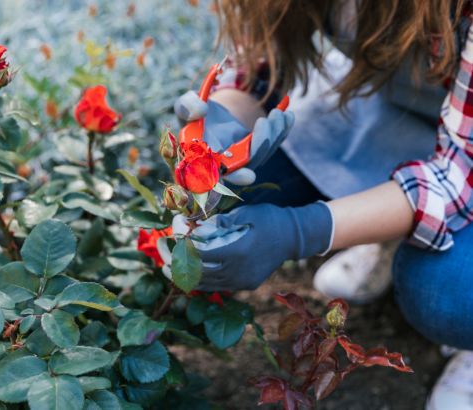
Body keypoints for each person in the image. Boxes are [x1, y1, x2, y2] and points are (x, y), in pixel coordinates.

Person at [172, 1, 473, 408]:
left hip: (463, 151)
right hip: (403, 110)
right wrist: (224, 117)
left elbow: (459, 173)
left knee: (447, 293)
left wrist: (301, 231)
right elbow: (260, 57)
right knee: (243, 188)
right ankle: (387, 229)